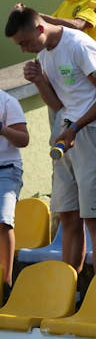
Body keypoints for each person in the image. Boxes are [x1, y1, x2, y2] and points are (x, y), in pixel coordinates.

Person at [7, 6, 96, 273]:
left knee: (94, 218)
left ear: (40, 28)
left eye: (25, 42)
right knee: (68, 216)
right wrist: (39, 81)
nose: (23, 49)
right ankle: (69, 288)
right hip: (68, 134)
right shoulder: (44, 54)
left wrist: (76, 127)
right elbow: (58, 104)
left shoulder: (79, 45)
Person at [0, 88, 28, 300]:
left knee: (3, 221)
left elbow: (23, 139)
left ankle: (5, 284)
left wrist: (2, 129)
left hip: (7, 169)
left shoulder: (7, 101)